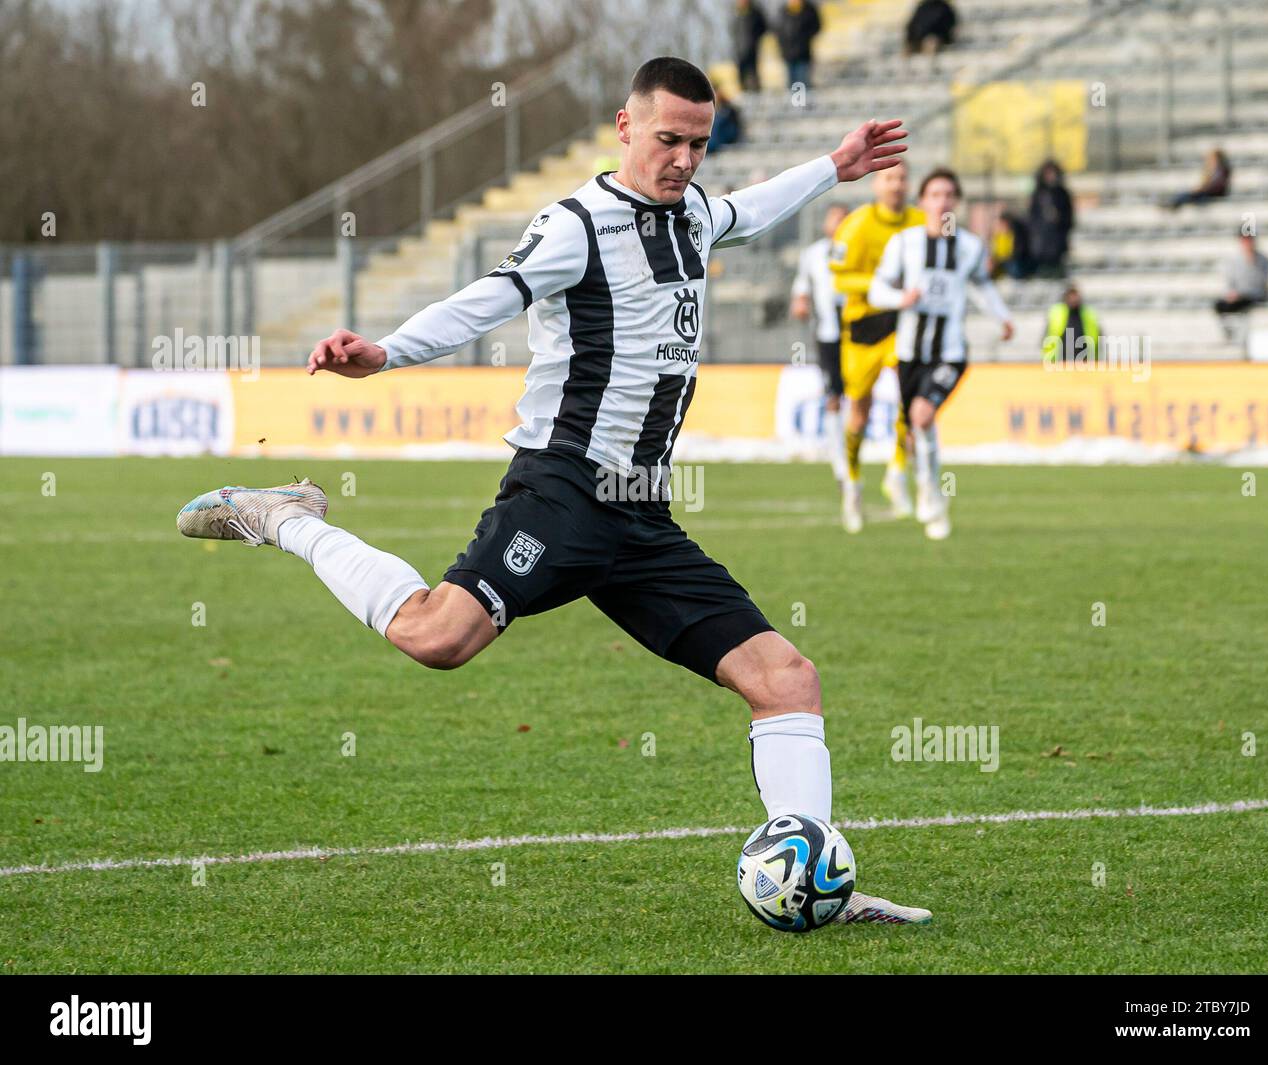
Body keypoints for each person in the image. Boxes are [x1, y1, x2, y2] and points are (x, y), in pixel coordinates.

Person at [175, 57, 929, 926]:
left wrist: (831, 168)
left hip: (642, 514)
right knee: (436, 636)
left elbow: (748, 212)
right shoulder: (578, 223)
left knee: (788, 680)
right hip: (563, 490)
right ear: (624, 127)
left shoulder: (693, 215)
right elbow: (488, 297)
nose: (683, 158)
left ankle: (815, 882)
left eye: (698, 143)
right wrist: (385, 351)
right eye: (667, 139)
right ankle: (286, 516)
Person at [869, 167, 1014, 540]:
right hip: (909, 353)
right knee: (915, 431)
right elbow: (875, 291)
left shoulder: (969, 246)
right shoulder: (905, 243)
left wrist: (1003, 318)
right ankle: (920, 485)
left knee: (922, 415)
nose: (943, 201)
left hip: (949, 352)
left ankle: (933, 499)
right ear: (923, 202)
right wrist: (901, 298)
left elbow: (982, 287)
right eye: (935, 195)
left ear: (958, 203)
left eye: (949, 194)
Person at [827, 160, 926, 531]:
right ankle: (852, 484)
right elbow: (839, 281)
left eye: (902, 178)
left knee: (910, 400)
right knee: (859, 411)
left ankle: (897, 474)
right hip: (865, 325)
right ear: (875, 185)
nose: (896, 185)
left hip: (903, 322)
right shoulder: (855, 226)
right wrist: (881, 286)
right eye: (889, 178)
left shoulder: (919, 223)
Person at [790, 203, 850, 486]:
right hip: (828, 336)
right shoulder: (813, 254)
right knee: (833, 398)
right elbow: (802, 287)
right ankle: (840, 465)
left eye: (844, 219)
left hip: (860, 334)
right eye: (835, 218)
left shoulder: (858, 249)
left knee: (862, 397)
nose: (839, 224)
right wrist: (800, 302)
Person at [1213, 231, 1268, 340]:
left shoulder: (1263, 260)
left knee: (1242, 303)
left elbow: (1262, 284)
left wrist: (1242, 293)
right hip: (1239, 296)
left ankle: (1237, 334)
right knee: (1220, 305)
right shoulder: (1234, 260)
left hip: (1255, 295)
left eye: (1249, 240)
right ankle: (1229, 332)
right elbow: (1230, 281)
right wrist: (1231, 293)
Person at [1027, 160, 1074, 279]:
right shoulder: (1038, 194)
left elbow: (1069, 218)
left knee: (1057, 274)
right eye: (1048, 173)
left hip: (1058, 242)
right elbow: (1032, 217)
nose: (1050, 176)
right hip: (1041, 244)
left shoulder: (1063, 194)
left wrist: (1059, 218)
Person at [1042, 281, 1100, 364]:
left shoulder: (1089, 313)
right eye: (1071, 295)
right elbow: (1047, 337)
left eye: (1075, 295)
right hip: (1061, 361)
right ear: (1065, 296)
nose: (1073, 298)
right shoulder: (1056, 312)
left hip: (1084, 361)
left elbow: (1098, 336)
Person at [775, 0, 821, 90]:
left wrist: (804, 38)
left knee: (803, 84)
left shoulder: (809, 10)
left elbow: (817, 26)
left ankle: (804, 104)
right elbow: (778, 30)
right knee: (792, 85)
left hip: (803, 54)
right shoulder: (783, 11)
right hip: (788, 55)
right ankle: (794, 104)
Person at [1164, 149, 1231, 211]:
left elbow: (1215, 186)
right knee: (1188, 194)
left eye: (1212, 159)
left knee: (1189, 195)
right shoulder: (1213, 171)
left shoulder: (1220, 171)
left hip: (1212, 194)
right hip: (1208, 193)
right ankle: (1174, 203)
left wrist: (1201, 189)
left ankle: (1174, 204)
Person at [732, 0, 768, 93]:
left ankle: (756, 98)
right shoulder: (736, 15)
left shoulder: (756, 14)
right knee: (741, 79)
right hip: (739, 53)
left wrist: (754, 42)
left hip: (752, 52)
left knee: (753, 78)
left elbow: (764, 29)